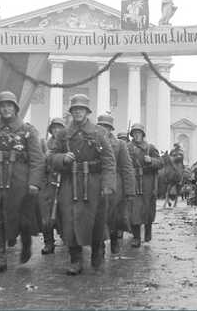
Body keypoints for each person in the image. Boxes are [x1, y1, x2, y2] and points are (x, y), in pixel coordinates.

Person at [0, 91, 45, 273]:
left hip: (20, 177)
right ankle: (0, 258)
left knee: (21, 217)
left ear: (15, 108)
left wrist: (34, 182)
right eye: (3, 106)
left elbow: (37, 158)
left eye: (9, 106)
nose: (6, 109)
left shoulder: (27, 130)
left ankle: (26, 242)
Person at [48, 94, 115, 275]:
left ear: (86, 111)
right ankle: (75, 259)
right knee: (69, 220)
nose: (78, 112)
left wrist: (107, 184)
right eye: (75, 109)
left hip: (93, 182)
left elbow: (109, 160)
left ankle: (97, 251)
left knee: (95, 220)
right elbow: (51, 157)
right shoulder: (63, 134)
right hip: (70, 182)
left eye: (81, 109)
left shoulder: (98, 133)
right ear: (71, 112)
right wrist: (62, 158)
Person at [96, 114, 136, 254]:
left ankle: (114, 241)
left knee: (114, 217)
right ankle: (99, 245)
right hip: (97, 184)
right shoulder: (93, 142)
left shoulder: (119, 144)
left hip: (117, 186)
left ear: (110, 129)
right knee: (98, 216)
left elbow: (127, 168)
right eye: (100, 126)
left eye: (106, 127)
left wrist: (130, 191)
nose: (103, 129)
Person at [127, 123, 163, 247]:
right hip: (133, 180)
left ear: (143, 134)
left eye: (139, 133)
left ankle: (148, 231)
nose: (137, 135)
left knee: (147, 207)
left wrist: (151, 160)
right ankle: (136, 237)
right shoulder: (127, 147)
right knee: (133, 209)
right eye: (134, 133)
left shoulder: (150, 147)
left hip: (148, 181)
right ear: (132, 135)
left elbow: (160, 163)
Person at [39, 117, 65, 255]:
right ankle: (48, 242)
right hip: (48, 183)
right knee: (46, 215)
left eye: (59, 128)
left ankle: (67, 237)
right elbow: (39, 165)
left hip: (64, 182)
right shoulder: (45, 145)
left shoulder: (67, 144)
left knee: (64, 213)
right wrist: (45, 157)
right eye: (54, 128)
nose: (56, 130)